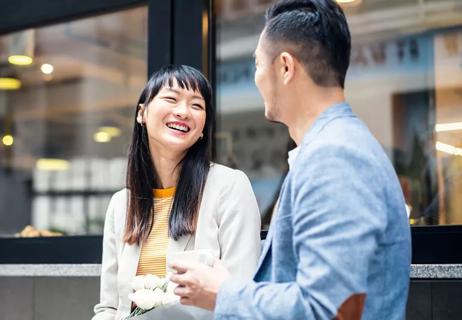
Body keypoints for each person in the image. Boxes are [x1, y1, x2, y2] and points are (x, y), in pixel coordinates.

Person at [169, 1, 411, 319]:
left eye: (257, 65)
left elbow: (324, 309)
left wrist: (222, 293)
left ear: (285, 67)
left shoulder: (335, 157)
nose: (256, 78)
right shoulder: (332, 148)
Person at [92, 65, 261, 320]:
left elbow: (240, 296)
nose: (183, 112)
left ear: (203, 127)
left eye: (197, 105)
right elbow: (110, 308)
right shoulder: (121, 205)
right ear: (142, 113)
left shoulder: (229, 186)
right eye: (171, 99)